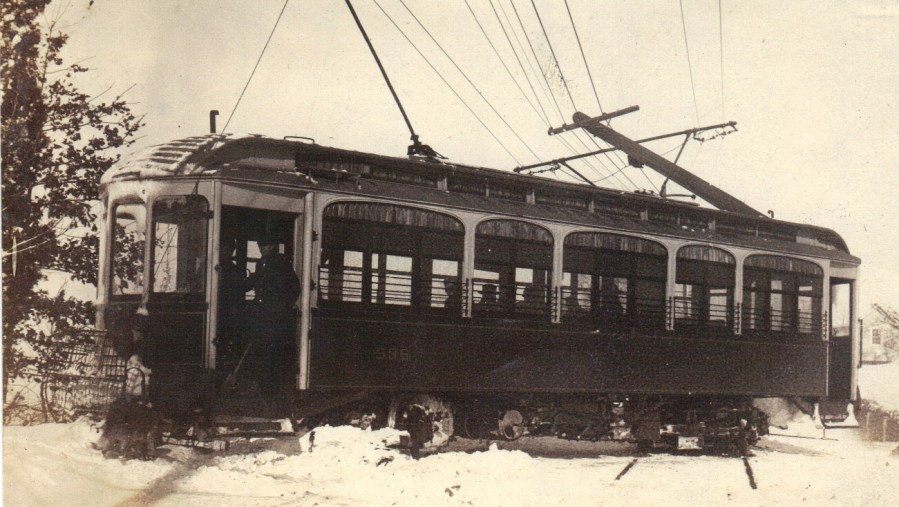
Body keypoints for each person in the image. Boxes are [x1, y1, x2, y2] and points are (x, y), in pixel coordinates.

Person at [246, 237, 300, 408]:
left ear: (272, 246)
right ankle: (265, 391)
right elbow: (257, 283)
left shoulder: (281, 264)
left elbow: (294, 288)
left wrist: (280, 307)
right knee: (263, 352)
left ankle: (273, 394)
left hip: (276, 318)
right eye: (260, 245)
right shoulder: (260, 264)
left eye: (265, 245)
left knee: (272, 354)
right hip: (263, 316)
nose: (262, 248)